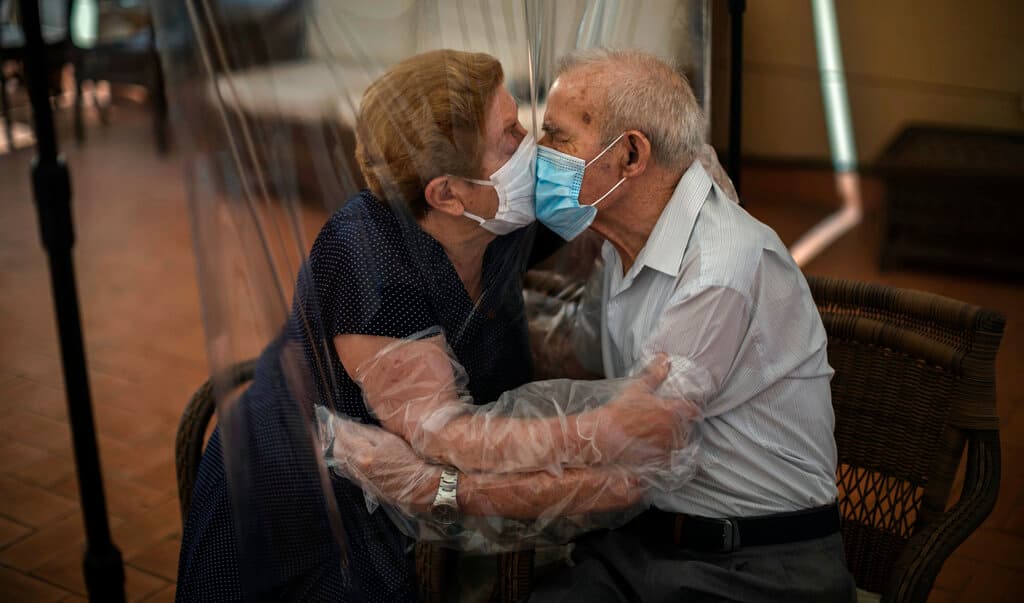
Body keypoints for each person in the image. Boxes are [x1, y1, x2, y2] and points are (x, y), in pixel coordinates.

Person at [176, 49, 693, 602]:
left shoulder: (499, 217)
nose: (532, 148)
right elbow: (449, 443)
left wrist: (689, 171)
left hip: (422, 526)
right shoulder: (365, 259)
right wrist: (608, 439)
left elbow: (614, 189)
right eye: (510, 136)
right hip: (305, 522)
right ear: (447, 193)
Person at [525, 48, 857, 602]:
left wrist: (450, 479)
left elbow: (631, 442)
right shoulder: (618, 243)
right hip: (645, 541)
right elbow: (577, 361)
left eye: (556, 138)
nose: (541, 157)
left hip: (755, 566)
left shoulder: (721, 267)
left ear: (630, 154)